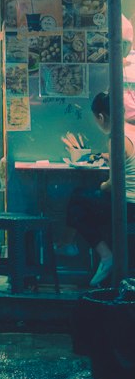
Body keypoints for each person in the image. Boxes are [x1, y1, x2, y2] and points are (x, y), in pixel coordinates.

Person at [66, 91, 135, 287]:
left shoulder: (116, 139)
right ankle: (84, 249)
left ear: (101, 117)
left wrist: (101, 185)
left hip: (127, 207)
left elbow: (113, 185)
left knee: (77, 201)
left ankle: (106, 256)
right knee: (82, 197)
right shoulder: (131, 131)